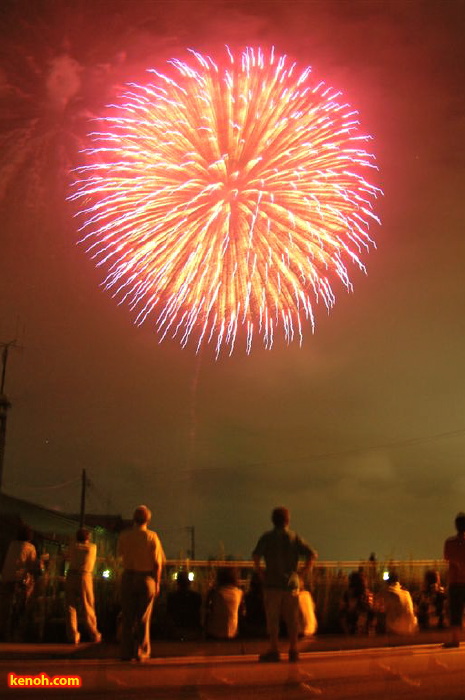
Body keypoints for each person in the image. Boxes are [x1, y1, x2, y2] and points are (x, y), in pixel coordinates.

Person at [252, 506, 317, 662]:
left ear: (273, 520)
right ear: (287, 520)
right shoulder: (294, 538)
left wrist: (261, 573)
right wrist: (301, 574)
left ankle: (274, 649)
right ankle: (293, 650)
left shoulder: (266, 538)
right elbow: (312, 554)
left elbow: (256, 556)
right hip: (291, 584)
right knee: (292, 618)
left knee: (273, 619)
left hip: (272, 583)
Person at [117, 505, 165, 662]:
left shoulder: (124, 536)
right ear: (148, 520)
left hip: (128, 577)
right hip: (146, 579)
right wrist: (157, 583)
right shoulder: (152, 537)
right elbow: (158, 563)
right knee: (143, 618)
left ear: (133, 519)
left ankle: (126, 652)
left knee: (128, 617)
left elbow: (119, 556)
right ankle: (142, 651)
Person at [0, 524, 39, 641]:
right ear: (30, 536)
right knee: (21, 605)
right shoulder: (30, 547)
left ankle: (3, 631)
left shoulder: (12, 544)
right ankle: (16, 631)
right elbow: (32, 565)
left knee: (5, 607)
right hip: (18, 581)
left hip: (6, 578)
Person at [65, 528, 101, 644]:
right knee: (87, 606)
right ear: (88, 538)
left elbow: (66, 555)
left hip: (71, 575)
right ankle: (94, 633)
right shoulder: (92, 547)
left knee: (70, 607)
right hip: (85, 576)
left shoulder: (72, 547)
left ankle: (73, 635)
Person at [443, 512, 465, 647]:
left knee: (455, 611)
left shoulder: (450, 543)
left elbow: (447, 557)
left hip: (455, 582)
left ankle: (455, 639)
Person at [205, 567, 244, 639]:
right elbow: (242, 612)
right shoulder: (239, 593)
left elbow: (206, 610)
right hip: (233, 632)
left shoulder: (214, 593)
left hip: (214, 632)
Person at [166, 571, 202, 640]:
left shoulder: (172, 597)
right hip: (192, 629)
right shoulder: (196, 596)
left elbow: (169, 613)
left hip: (177, 629)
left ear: (177, 583)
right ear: (189, 583)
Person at [339, 570, 375, 635]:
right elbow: (371, 611)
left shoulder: (347, 594)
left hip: (351, 626)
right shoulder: (368, 594)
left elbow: (342, 612)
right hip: (364, 628)